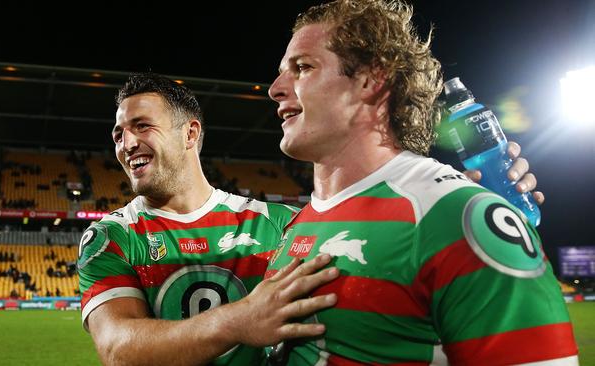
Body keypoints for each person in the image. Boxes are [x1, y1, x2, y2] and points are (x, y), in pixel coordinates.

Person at [266, 0, 578, 364]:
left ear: (370, 80)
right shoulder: (297, 223)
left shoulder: (456, 217)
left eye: (302, 67)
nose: (275, 88)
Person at [78, 73, 340, 366]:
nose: (126, 144)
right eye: (118, 134)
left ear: (189, 134)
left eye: (142, 126)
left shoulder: (281, 224)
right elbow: (118, 349)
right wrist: (239, 320)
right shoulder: (111, 237)